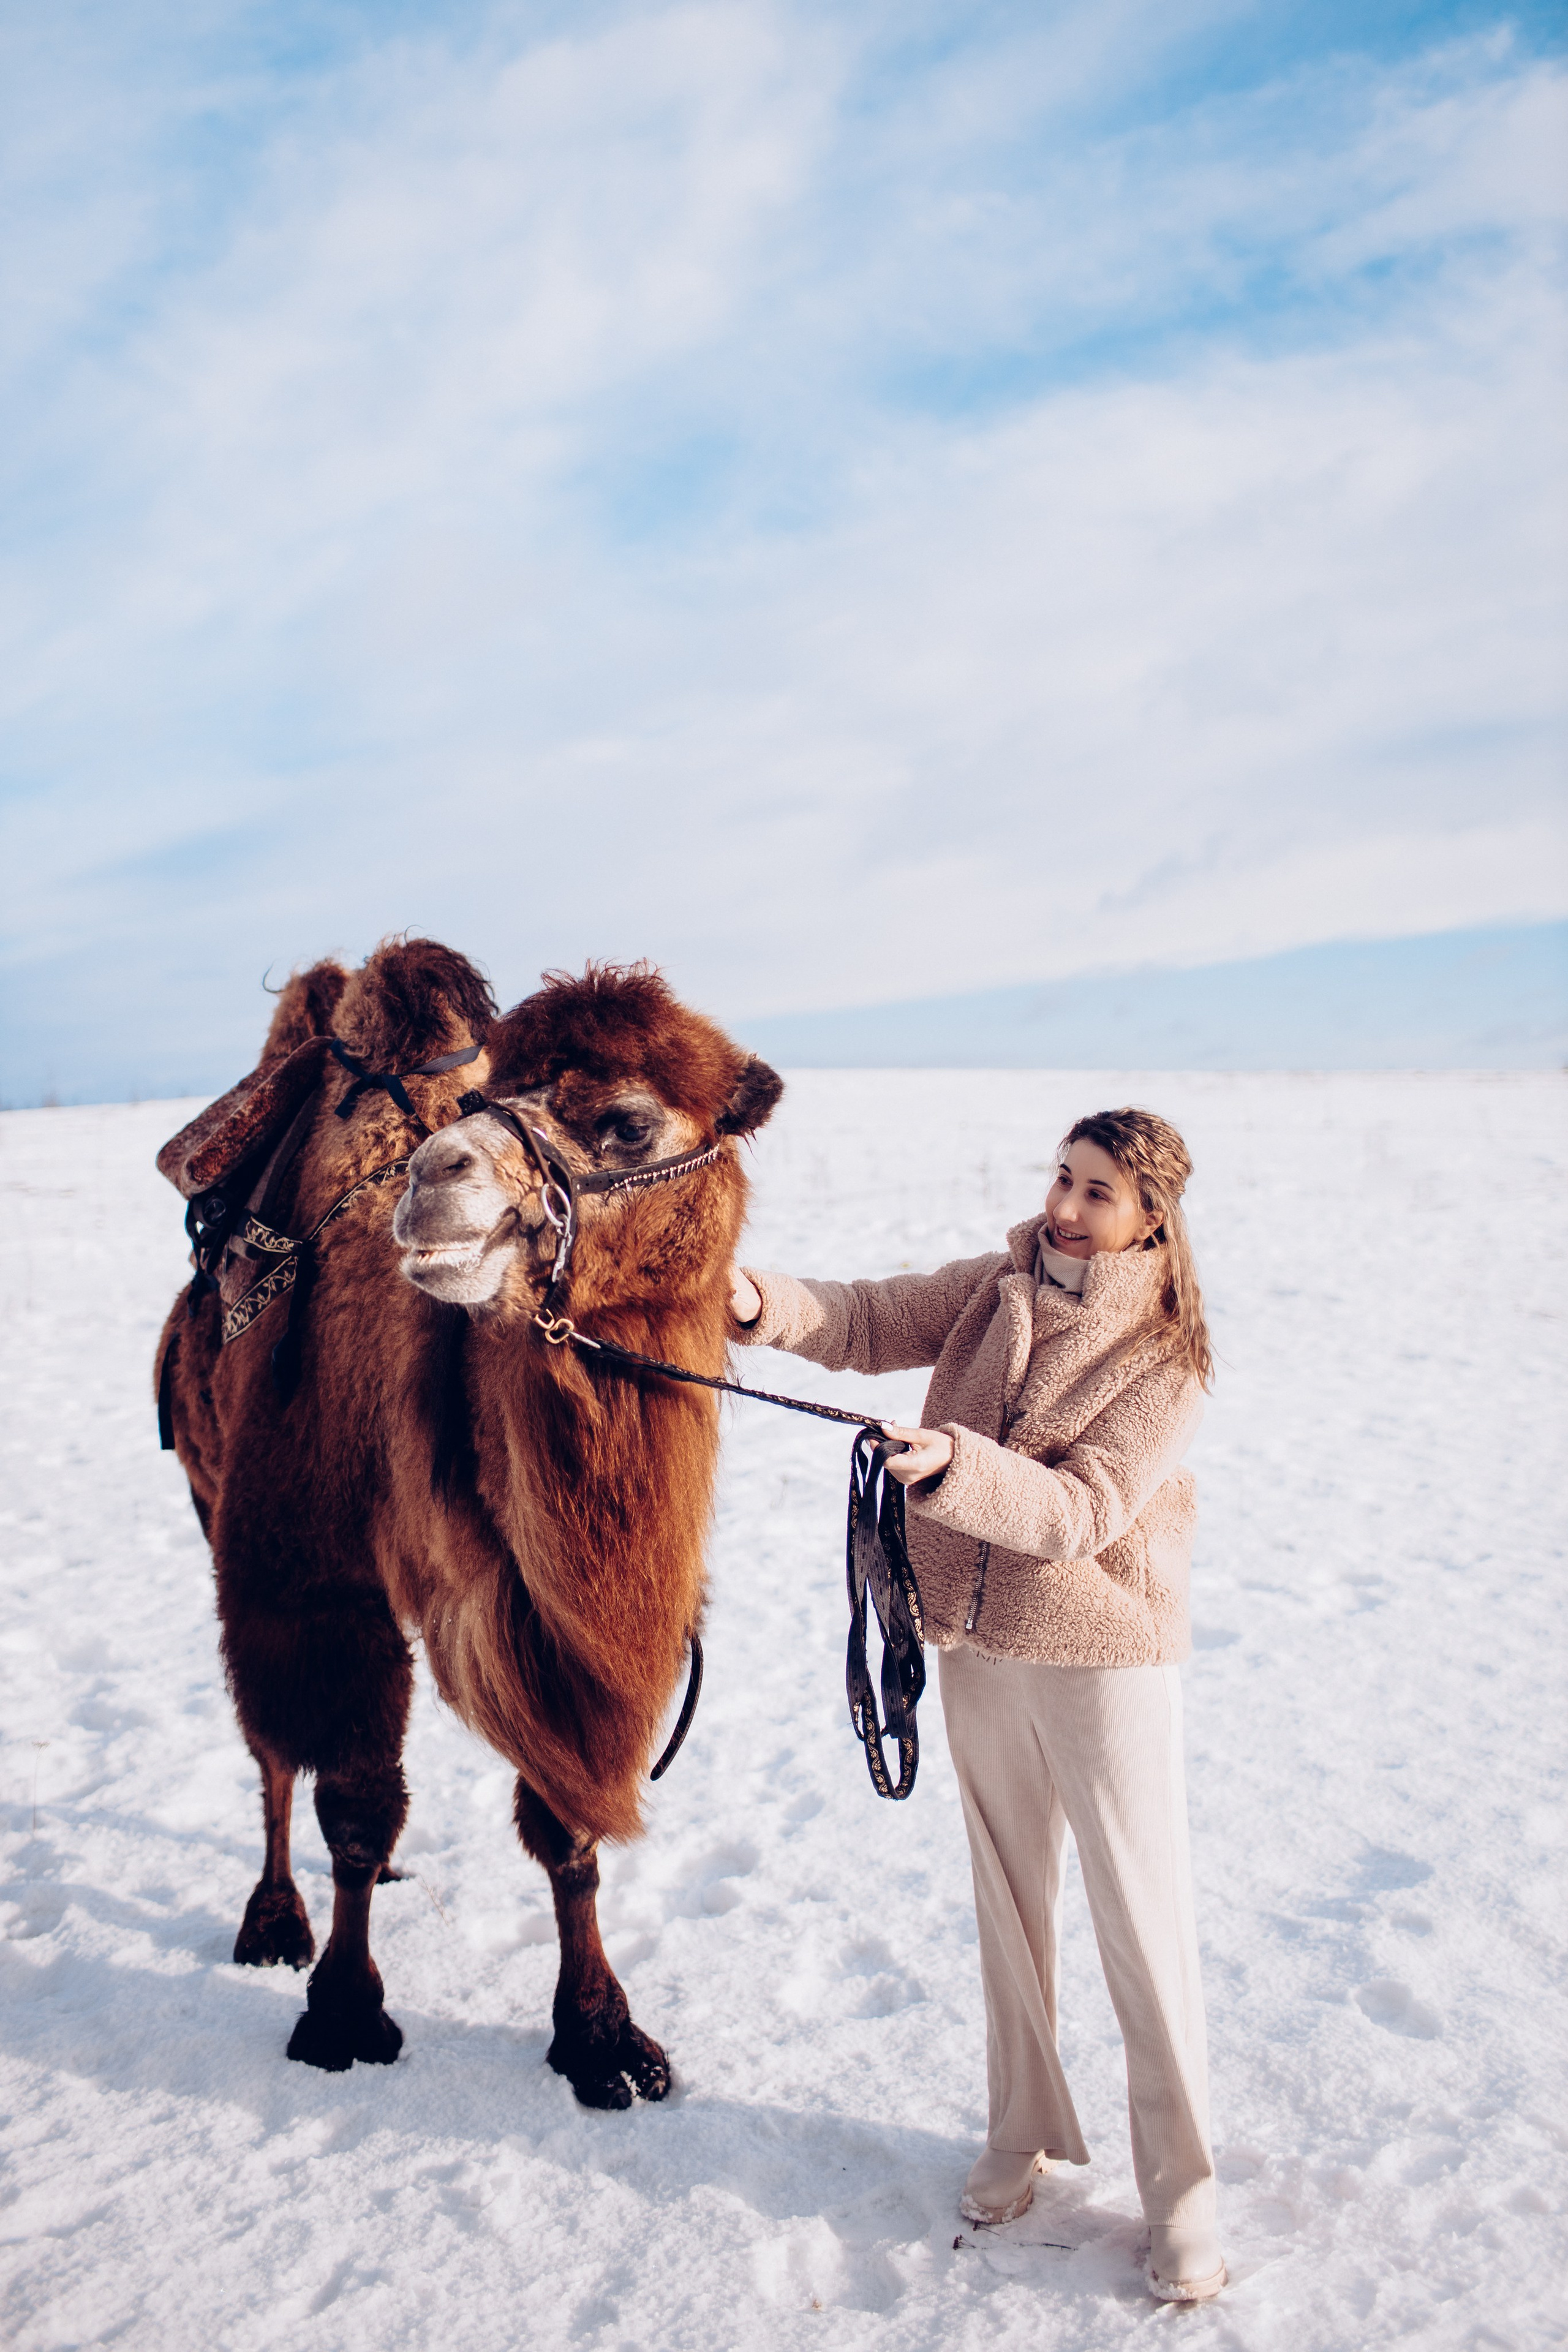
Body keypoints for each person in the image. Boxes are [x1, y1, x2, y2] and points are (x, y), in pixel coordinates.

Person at [728, 1107, 1225, 2305]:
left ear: (1149, 1215)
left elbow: (1079, 1515)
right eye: (1062, 1177)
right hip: (971, 1639)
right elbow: (859, 1319)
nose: (1064, 1205)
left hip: (1100, 1652)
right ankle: (1021, 2132)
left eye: (1097, 1192)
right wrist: (752, 1302)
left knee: (1138, 1928)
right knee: (1007, 1903)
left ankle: (1184, 2196)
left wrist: (952, 1469)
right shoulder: (992, 1286)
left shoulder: (1167, 1360)